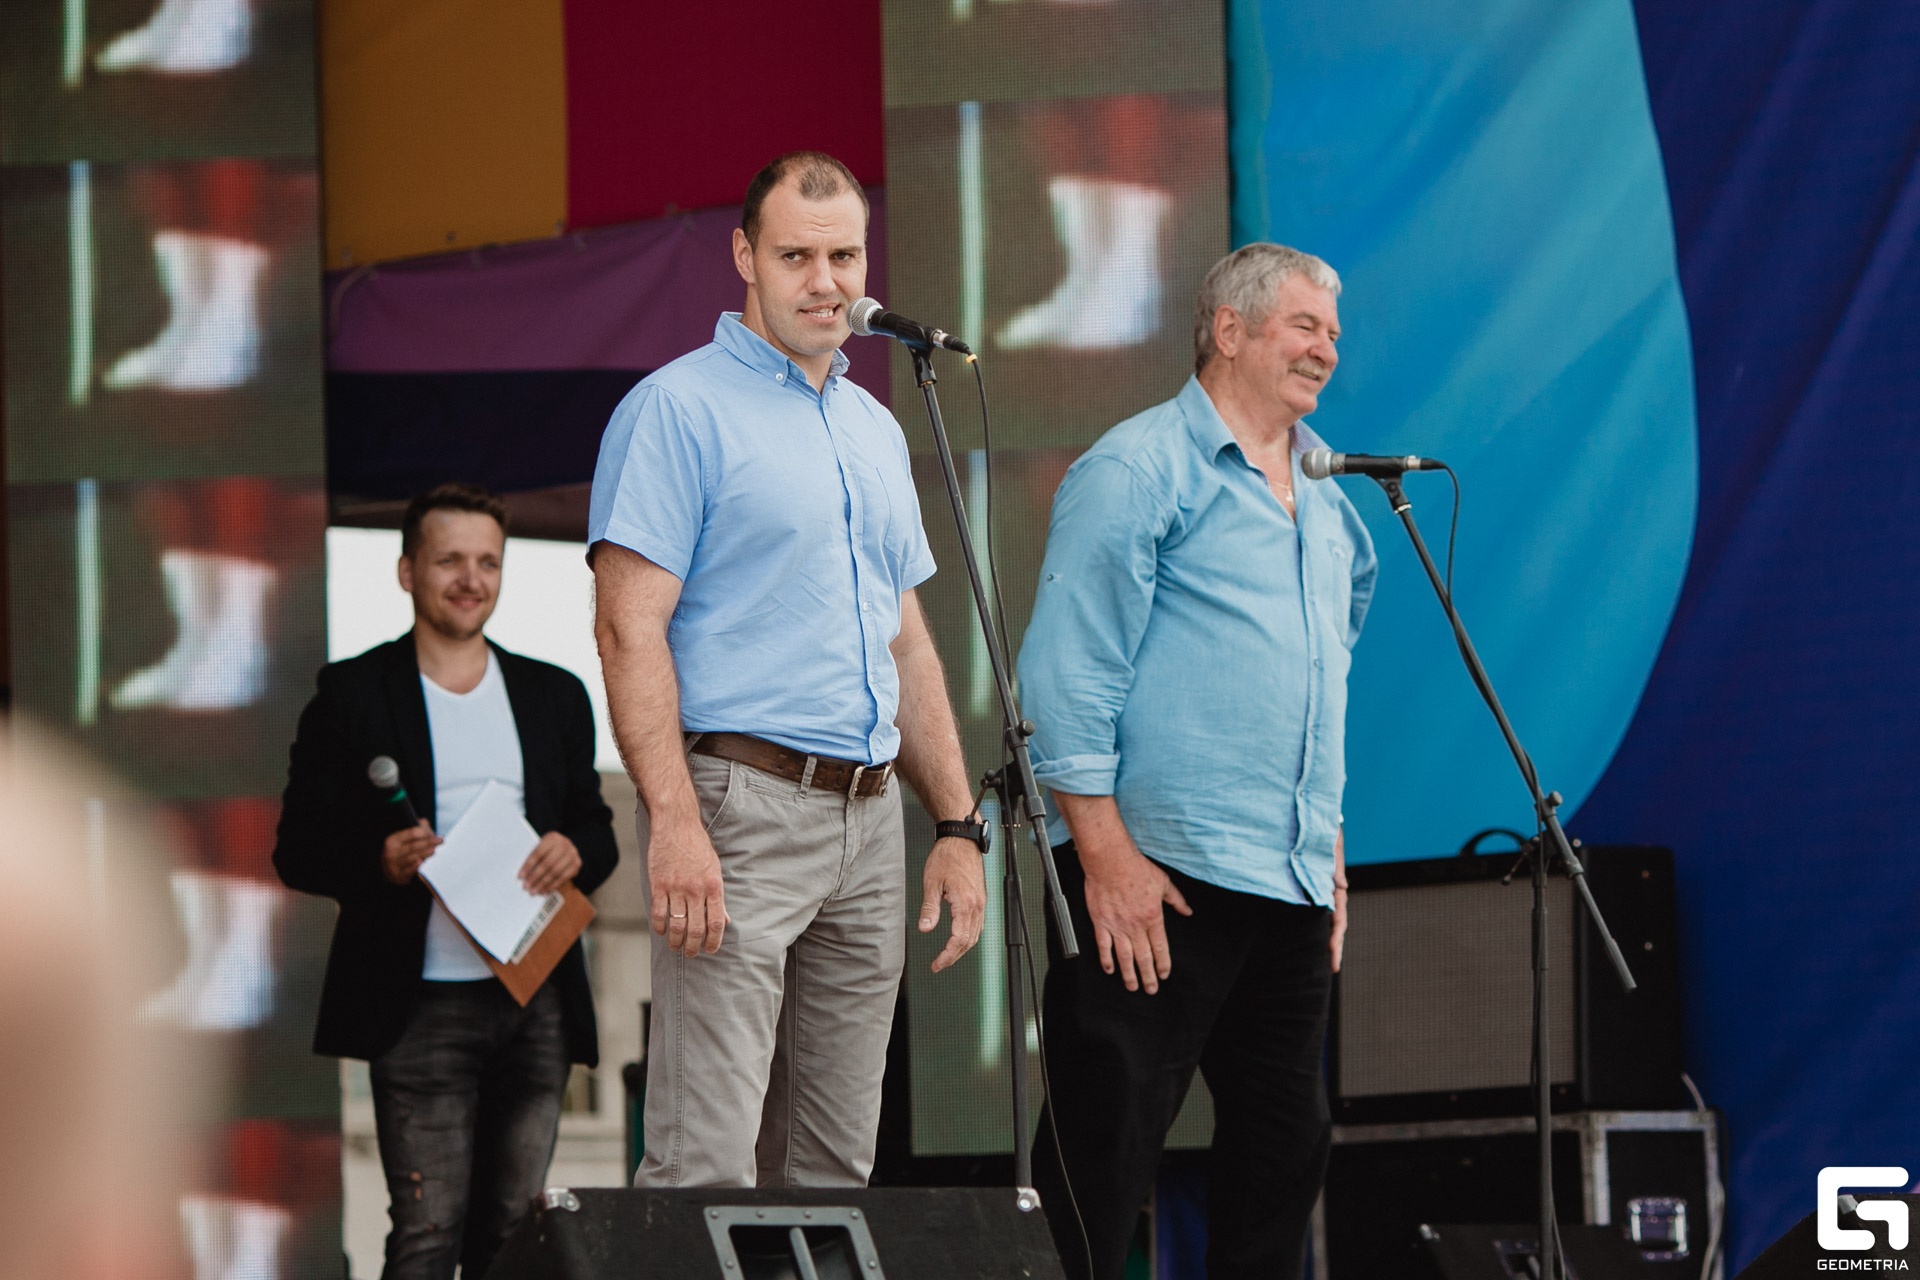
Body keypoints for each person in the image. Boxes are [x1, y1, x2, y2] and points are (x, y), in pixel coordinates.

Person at [589, 150, 988, 1190]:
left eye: (844, 256)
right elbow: (629, 630)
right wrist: (673, 819)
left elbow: (905, 639)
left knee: (836, 1167)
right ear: (744, 257)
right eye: (796, 256)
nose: (826, 281)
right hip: (740, 804)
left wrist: (956, 823)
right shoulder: (676, 408)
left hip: (871, 819)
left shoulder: (874, 424)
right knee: (707, 1162)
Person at [1017, 243, 1377, 1280]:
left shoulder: (1333, 501)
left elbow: (1320, 683)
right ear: (1229, 329)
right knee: (1102, 1151)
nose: (1327, 350)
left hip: (1288, 884)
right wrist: (1105, 858)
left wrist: (1326, 848)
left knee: (1282, 1159)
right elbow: (1063, 676)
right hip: (1157, 876)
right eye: (1305, 326)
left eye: (1333, 333)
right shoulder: (1138, 468)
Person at [272, 482, 618, 1280]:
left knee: (515, 1235)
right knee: (428, 1233)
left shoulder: (554, 695)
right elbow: (297, 850)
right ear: (407, 571)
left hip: (534, 998)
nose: (471, 579)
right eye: (450, 560)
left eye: (488, 562)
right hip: (416, 1001)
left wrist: (573, 850)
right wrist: (379, 862)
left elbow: (598, 832)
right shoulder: (351, 695)